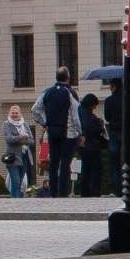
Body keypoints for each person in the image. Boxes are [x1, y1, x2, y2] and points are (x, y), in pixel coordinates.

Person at [33, 67, 77, 198]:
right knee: (65, 162)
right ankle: (63, 191)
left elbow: (35, 110)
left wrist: (45, 123)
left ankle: (53, 192)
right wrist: (79, 131)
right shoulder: (70, 93)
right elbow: (75, 115)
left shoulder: (47, 92)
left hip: (52, 130)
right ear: (68, 78)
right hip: (68, 132)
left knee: (54, 162)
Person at [77, 92, 107, 197]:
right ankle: (94, 191)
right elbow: (89, 127)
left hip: (84, 146)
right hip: (91, 146)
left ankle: (85, 191)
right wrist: (100, 125)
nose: (94, 107)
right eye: (94, 105)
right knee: (96, 169)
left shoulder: (80, 111)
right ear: (90, 104)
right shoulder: (86, 114)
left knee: (86, 169)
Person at [2, 104, 34, 199]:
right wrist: (21, 137)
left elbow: (31, 141)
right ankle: (14, 202)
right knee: (15, 181)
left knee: (20, 182)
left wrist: (24, 139)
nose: (15, 114)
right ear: (9, 113)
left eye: (16, 113)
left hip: (25, 157)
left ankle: (18, 201)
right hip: (13, 157)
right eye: (13, 113)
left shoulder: (25, 124)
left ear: (20, 113)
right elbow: (8, 139)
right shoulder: (6, 124)